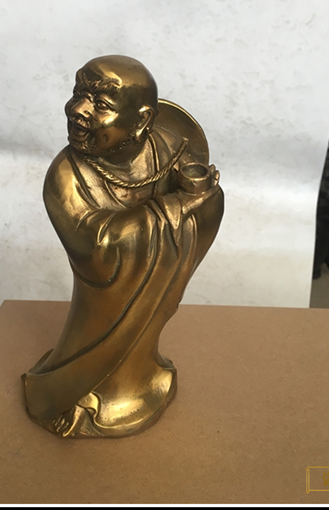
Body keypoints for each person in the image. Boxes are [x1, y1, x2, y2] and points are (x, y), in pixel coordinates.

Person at [23, 55, 224, 437]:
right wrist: (173, 207)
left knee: (142, 345)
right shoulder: (66, 175)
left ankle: (139, 379)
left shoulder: (168, 150)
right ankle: (81, 388)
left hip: (150, 293)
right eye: (78, 94)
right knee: (93, 328)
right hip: (101, 296)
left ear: (143, 120)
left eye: (100, 104)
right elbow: (95, 247)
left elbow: (203, 208)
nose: (78, 110)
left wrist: (202, 198)